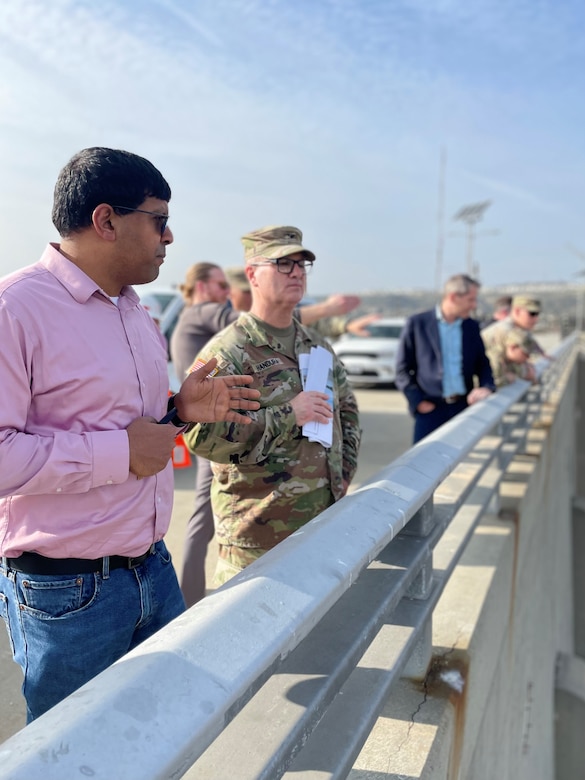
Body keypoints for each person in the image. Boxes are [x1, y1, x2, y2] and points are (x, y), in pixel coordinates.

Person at [0, 147, 260, 722]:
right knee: (74, 757)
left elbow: (138, 429)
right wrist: (120, 452)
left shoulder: (133, 310)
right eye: (159, 220)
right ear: (106, 220)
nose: (170, 237)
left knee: (157, 737)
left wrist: (179, 410)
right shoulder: (15, 309)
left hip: (151, 568)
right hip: (68, 593)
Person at [171, 262, 366, 606]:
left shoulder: (314, 343)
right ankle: (187, 602)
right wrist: (289, 414)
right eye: (282, 264)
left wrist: (342, 474)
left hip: (319, 527)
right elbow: (200, 437)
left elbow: (346, 411)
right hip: (258, 542)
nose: (297, 273)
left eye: (302, 265)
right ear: (252, 275)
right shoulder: (228, 349)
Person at [395, 273, 495, 444]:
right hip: (430, 410)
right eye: (471, 299)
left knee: (456, 464)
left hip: (463, 408)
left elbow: (482, 364)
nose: (474, 305)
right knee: (422, 464)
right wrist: (417, 402)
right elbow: (402, 370)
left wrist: (486, 387)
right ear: (454, 297)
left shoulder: (471, 326)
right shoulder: (417, 323)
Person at [481, 295, 553, 360]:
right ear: (517, 311)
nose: (536, 319)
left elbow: (531, 342)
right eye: (532, 314)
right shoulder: (507, 330)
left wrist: (542, 353)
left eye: (537, 314)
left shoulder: (519, 329)